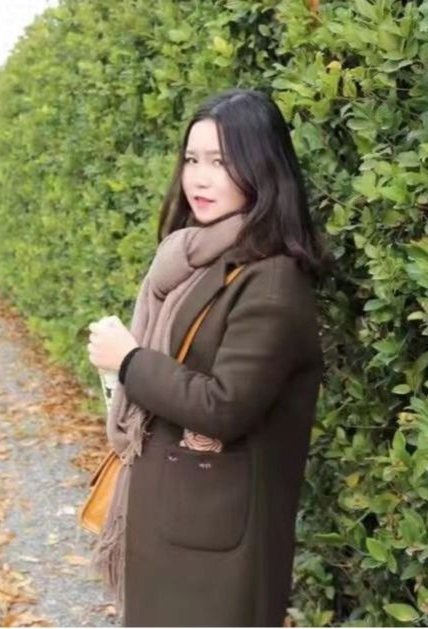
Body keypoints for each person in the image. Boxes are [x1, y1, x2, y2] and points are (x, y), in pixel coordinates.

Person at [87, 87, 329, 627]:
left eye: (220, 162)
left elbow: (225, 405)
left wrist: (129, 361)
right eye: (192, 159)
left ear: (261, 168)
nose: (199, 178)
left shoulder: (272, 281)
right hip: (176, 518)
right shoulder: (196, 257)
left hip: (219, 543)